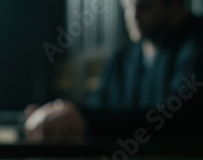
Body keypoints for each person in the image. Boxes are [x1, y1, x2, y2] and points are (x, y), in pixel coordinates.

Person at [25, 0, 203, 141]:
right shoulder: (123, 58)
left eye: (144, 7)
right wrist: (62, 116)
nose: (133, 16)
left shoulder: (197, 45)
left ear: (175, 4)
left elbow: (181, 116)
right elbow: (100, 107)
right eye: (127, 7)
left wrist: (88, 120)